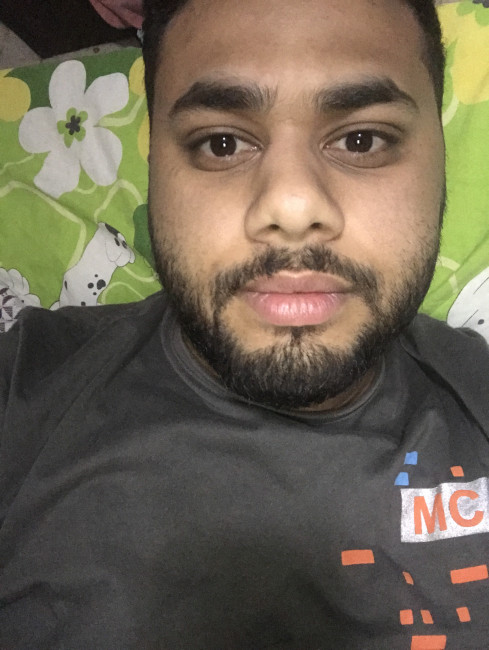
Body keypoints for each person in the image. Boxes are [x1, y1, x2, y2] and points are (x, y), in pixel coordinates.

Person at [1, 0, 488, 647]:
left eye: (362, 139)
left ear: (440, 161)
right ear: (153, 163)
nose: (292, 205)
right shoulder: (23, 392)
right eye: (221, 143)